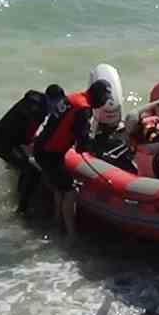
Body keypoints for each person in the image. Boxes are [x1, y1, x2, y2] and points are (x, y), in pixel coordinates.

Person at [31, 79, 111, 237]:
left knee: (60, 186)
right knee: (70, 190)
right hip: (49, 153)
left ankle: (56, 222)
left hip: (44, 148)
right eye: (103, 99)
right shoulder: (83, 109)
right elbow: (82, 142)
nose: (103, 104)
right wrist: (94, 149)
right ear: (97, 96)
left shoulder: (74, 97)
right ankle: (70, 234)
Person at [0, 89, 48, 214]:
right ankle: (22, 210)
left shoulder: (30, 101)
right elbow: (28, 139)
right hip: (5, 144)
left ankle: (18, 189)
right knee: (33, 171)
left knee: (21, 164)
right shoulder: (39, 112)